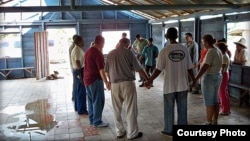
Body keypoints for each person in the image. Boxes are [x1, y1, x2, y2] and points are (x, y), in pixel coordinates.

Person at [145, 27, 195, 138]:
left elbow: (158, 70)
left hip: (169, 86)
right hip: (183, 85)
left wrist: (149, 80)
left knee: (169, 109)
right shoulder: (184, 49)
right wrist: (194, 79)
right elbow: (190, 68)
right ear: (177, 36)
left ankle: (169, 130)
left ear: (166, 37)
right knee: (183, 108)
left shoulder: (164, 51)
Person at [105, 38, 148, 140]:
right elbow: (139, 69)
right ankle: (132, 133)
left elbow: (107, 70)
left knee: (116, 109)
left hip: (115, 84)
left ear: (119, 43)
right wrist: (148, 79)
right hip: (128, 84)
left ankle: (119, 131)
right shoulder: (129, 53)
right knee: (130, 109)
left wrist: (109, 81)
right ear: (127, 44)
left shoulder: (111, 53)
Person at [192, 34, 222, 125]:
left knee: (209, 101)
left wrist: (195, 79)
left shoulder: (210, 52)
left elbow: (204, 67)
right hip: (218, 76)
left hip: (209, 77)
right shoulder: (218, 50)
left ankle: (208, 122)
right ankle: (215, 120)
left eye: (203, 42)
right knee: (215, 99)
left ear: (207, 43)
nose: (202, 44)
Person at [83, 35, 110, 128]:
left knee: (91, 101)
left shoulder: (88, 51)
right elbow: (101, 70)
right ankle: (97, 121)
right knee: (98, 101)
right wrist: (106, 82)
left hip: (87, 79)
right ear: (102, 43)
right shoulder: (97, 53)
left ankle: (92, 120)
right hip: (95, 80)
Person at [71, 36, 88, 115]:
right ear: (79, 42)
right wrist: (81, 72)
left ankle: (78, 107)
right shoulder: (77, 50)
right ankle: (82, 110)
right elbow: (78, 61)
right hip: (79, 70)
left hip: (77, 70)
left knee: (78, 90)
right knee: (81, 90)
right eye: (82, 41)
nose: (84, 42)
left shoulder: (76, 49)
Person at [217, 42, 231, 115]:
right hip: (226, 74)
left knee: (222, 92)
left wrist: (219, 76)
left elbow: (222, 69)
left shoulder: (223, 56)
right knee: (225, 92)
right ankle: (227, 109)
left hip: (223, 75)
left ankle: (225, 110)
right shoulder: (225, 55)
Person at [69, 34, 78, 101]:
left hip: (74, 66)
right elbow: (77, 59)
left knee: (75, 82)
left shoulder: (73, 47)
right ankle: (74, 96)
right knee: (76, 82)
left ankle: (75, 96)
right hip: (75, 67)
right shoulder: (74, 47)